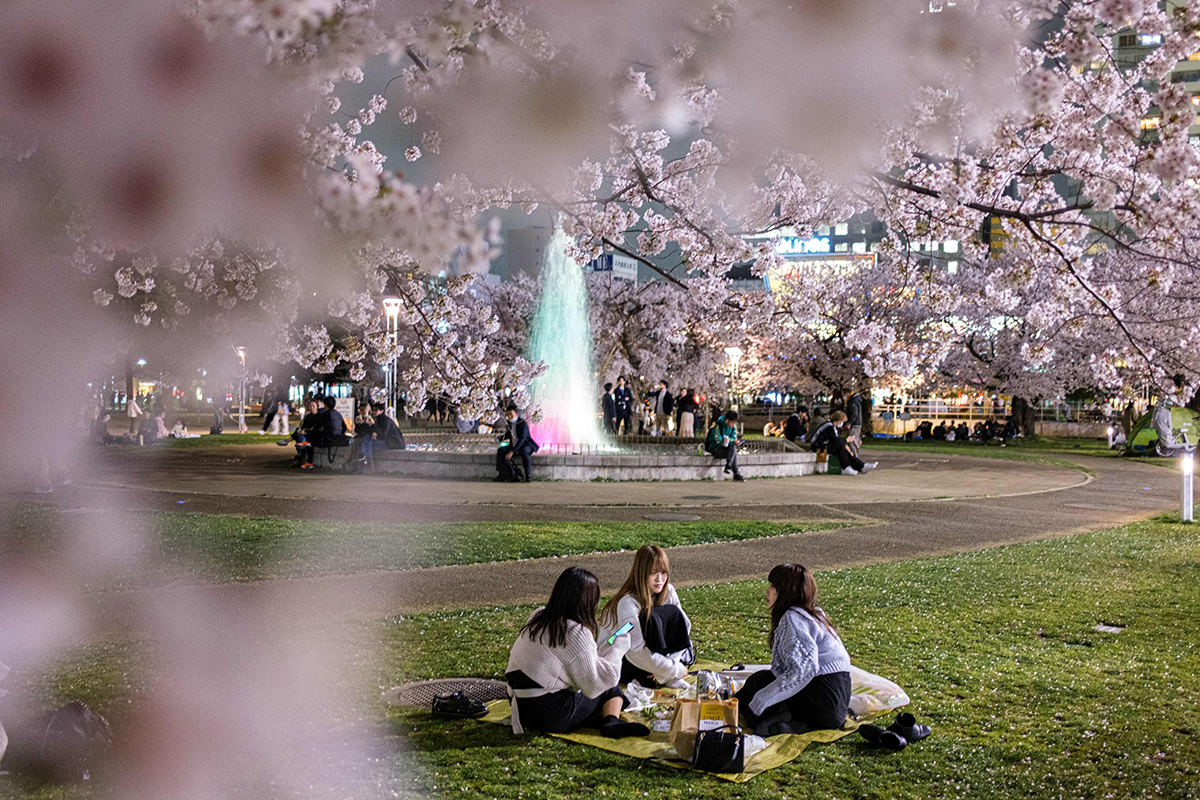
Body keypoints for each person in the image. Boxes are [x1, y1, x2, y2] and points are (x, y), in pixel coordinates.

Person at [505, 567, 648, 738]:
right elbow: (597, 685)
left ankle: (600, 719)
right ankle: (611, 721)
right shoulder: (577, 632)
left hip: (520, 706)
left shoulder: (538, 616)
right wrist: (618, 648)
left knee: (594, 687)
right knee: (611, 688)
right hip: (549, 714)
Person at [735, 564, 852, 736]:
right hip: (838, 704)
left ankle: (769, 718)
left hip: (823, 700)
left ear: (787, 591)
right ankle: (794, 724)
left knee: (758, 684)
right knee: (763, 681)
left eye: (773, 587)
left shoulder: (793, 619)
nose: (767, 591)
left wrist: (763, 699)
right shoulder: (815, 614)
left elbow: (803, 669)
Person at [597, 546, 693, 689]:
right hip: (620, 654)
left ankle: (662, 677)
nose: (659, 579)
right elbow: (635, 651)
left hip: (652, 658)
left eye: (663, 572)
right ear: (641, 573)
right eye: (652, 573)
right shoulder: (627, 603)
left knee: (671, 613)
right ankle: (656, 677)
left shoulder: (668, 592)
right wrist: (675, 670)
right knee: (647, 618)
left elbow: (682, 629)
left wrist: (668, 670)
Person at [811, 411, 878, 475]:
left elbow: (837, 440)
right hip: (818, 447)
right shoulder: (829, 427)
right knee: (840, 447)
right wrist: (846, 440)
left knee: (842, 448)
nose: (842, 423)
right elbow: (835, 440)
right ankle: (852, 467)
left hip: (825, 445)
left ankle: (860, 467)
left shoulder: (834, 427)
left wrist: (845, 444)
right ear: (839, 420)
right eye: (842, 421)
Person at [298, 396, 349, 470]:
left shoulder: (326, 414)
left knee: (309, 441)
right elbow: (344, 428)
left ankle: (309, 462)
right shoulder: (338, 414)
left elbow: (317, 427)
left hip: (327, 439)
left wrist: (308, 432)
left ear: (326, 405)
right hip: (337, 438)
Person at [496, 404, 539, 482]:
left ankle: (528, 475)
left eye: (511, 414)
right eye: (507, 415)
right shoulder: (510, 424)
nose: (509, 417)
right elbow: (508, 434)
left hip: (525, 444)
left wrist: (512, 452)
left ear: (516, 414)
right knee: (500, 450)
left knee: (524, 452)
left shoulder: (522, 424)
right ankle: (502, 473)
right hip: (514, 445)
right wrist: (501, 437)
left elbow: (522, 439)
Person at [359, 401, 406, 465]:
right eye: (373, 410)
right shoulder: (376, 419)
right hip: (386, 441)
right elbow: (367, 431)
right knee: (365, 439)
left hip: (392, 443)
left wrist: (373, 426)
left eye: (376, 410)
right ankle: (365, 459)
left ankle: (366, 460)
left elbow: (383, 435)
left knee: (367, 443)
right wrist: (361, 424)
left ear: (381, 411)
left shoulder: (385, 420)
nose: (373, 412)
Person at [705, 409, 745, 481]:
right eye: (732, 422)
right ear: (727, 420)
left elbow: (734, 437)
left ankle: (729, 466)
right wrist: (726, 441)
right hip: (716, 448)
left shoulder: (733, 427)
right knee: (733, 453)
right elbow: (717, 440)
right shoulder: (718, 426)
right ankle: (735, 473)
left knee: (733, 449)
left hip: (727, 449)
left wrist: (733, 441)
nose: (733, 425)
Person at [845, 388, 865, 456]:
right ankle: (854, 458)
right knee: (854, 441)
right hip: (857, 423)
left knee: (851, 441)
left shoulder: (853, 401)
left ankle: (855, 458)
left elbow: (854, 414)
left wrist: (849, 422)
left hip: (854, 424)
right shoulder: (855, 400)